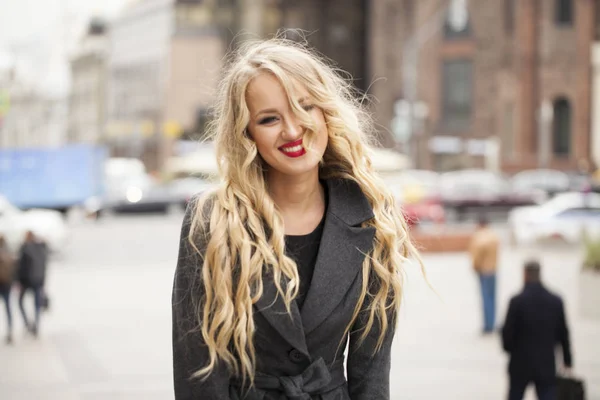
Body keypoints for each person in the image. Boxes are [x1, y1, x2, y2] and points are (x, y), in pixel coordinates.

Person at [172, 38, 421, 400]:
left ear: (326, 113)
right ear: (247, 133)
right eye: (270, 118)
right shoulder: (212, 221)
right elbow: (197, 371)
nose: (292, 130)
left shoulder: (370, 218)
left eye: (305, 107)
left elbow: (372, 377)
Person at [502, 260, 572, 400]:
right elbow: (563, 333)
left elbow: (507, 335)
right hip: (546, 364)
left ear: (525, 274)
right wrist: (567, 360)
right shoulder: (555, 301)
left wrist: (510, 349)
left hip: (520, 363)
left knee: (515, 395)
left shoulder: (517, 302)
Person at [468, 214, 500, 334]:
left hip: (483, 271)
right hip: (493, 270)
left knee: (486, 298)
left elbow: (476, 255)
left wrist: (475, 267)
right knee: (492, 298)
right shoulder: (494, 236)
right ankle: (492, 322)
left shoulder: (479, 237)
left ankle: (488, 325)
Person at [17, 231, 47, 337]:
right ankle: (36, 325)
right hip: (38, 280)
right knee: (37, 305)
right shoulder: (41, 248)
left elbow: (21, 268)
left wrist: (19, 282)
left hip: (26, 281)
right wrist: (43, 281)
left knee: (20, 302)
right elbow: (44, 266)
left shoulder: (25, 248)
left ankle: (27, 323)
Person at [0, 235, 15, 344]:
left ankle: (10, 331)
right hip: (7, 284)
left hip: (3, 284)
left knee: (8, 307)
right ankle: (10, 330)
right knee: (8, 307)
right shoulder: (9, 252)